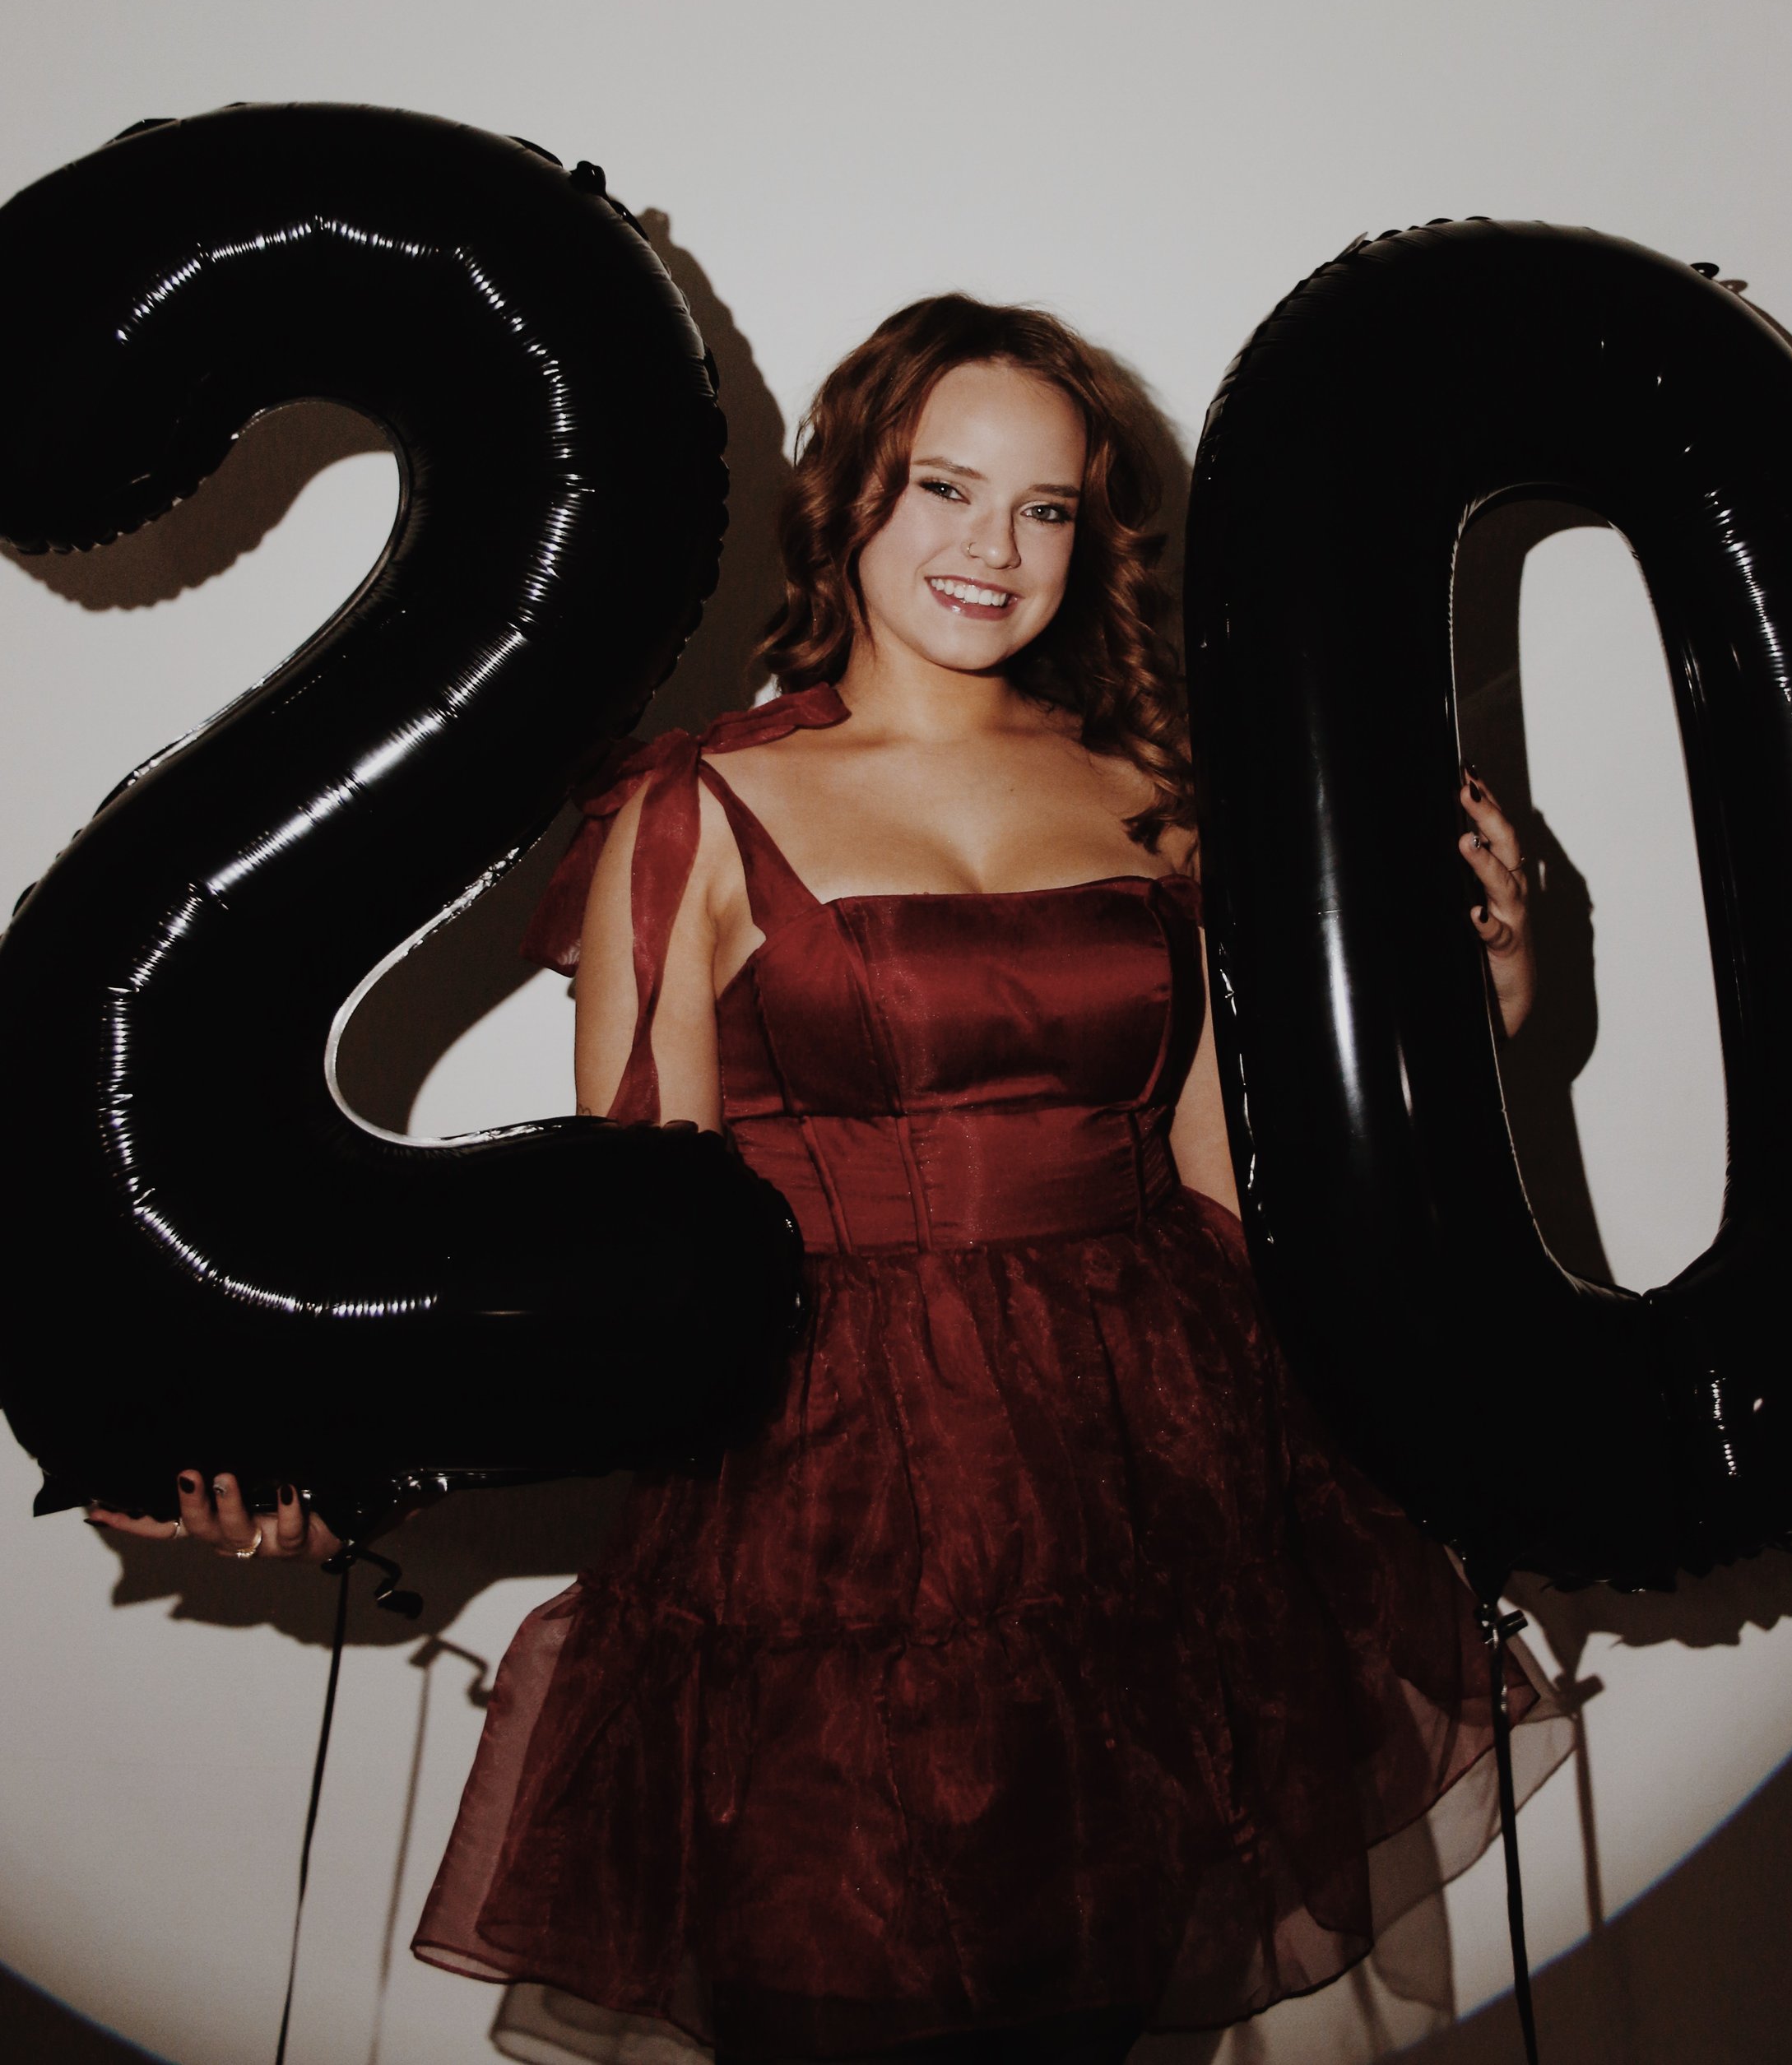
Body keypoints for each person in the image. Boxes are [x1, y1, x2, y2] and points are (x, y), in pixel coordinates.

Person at [95, 294, 1565, 2064]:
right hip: (831, 1509)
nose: (990, 550)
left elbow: (1231, 1189)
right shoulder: (694, 814)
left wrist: (1464, 1017)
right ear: (848, 497)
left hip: (1154, 1483)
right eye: (942, 489)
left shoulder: (1164, 788)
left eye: (1042, 510)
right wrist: (325, 1451)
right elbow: (618, 1256)